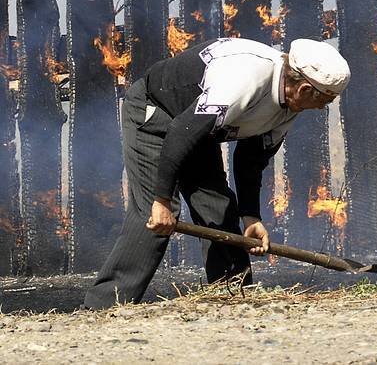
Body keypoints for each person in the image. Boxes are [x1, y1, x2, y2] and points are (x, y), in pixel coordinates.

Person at [83, 36, 350, 309]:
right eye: (324, 100)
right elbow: (180, 133)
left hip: (196, 129)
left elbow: (251, 158)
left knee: (218, 208)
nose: (321, 107)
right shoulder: (245, 79)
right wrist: (161, 199)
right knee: (155, 217)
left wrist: (251, 216)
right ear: (305, 89)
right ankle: (103, 306)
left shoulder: (288, 103)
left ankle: (233, 297)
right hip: (155, 115)